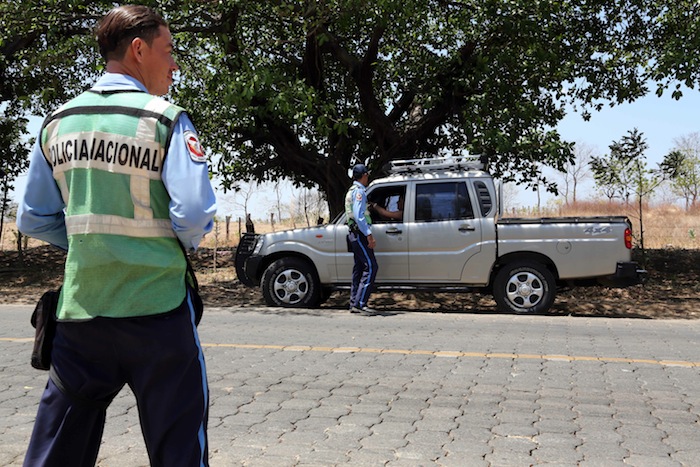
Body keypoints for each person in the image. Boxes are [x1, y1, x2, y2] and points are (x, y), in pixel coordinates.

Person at [16, 5, 216, 466]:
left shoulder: (57, 123)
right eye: (169, 51)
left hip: (82, 314)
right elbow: (194, 213)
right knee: (179, 449)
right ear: (139, 49)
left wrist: (92, 244)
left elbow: (31, 216)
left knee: (56, 450)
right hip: (159, 311)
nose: (175, 64)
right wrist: (166, 244)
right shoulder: (165, 120)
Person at [344, 163, 378, 314]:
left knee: (359, 268)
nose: (368, 177)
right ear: (364, 175)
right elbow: (359, 216)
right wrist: (369, 234)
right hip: (359, 234)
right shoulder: (359, 192)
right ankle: (361, 303)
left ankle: (354, 303)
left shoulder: (352, 190)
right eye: (367, 174)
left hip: (354, 234)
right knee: (371, 267)